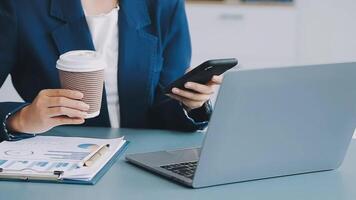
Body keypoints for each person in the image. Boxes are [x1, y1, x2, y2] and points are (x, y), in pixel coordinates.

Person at [0, 0, 222, 142]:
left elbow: (167, 102)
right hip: (60, 156)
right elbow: (19, 120)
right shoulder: (19, 6)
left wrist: (190, 104)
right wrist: (20, 120)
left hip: (145, 157)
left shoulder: (164, 4)